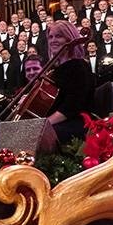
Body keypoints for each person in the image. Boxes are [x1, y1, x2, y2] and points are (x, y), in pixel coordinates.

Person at [38, 20, 93, 152]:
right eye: (51, 37)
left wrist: (44, 125)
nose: (53, 40)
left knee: (36, 139)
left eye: (58, 36)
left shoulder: (79, 66)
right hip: (59, 121)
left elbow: (71, 107)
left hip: (75, 122)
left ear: (70, 38)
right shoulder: (56, 70)